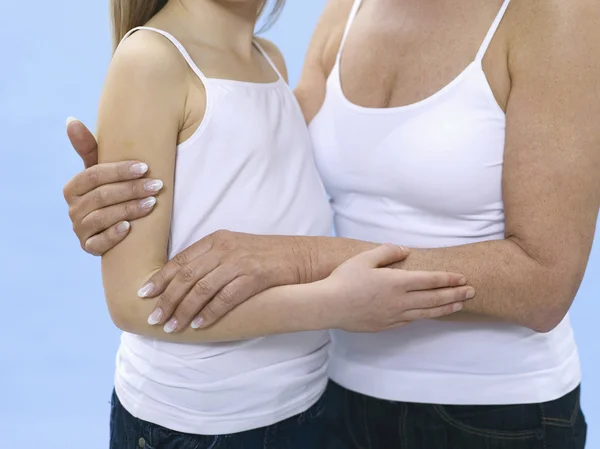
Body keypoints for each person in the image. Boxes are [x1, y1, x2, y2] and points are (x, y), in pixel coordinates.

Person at [64, 0, 600, 448]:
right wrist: (121, 190)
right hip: (325, 402)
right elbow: (256, 154)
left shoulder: (553, 14)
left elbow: (545, 283)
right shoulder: (345, 11)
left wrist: (309, 261)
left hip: (489, 416)